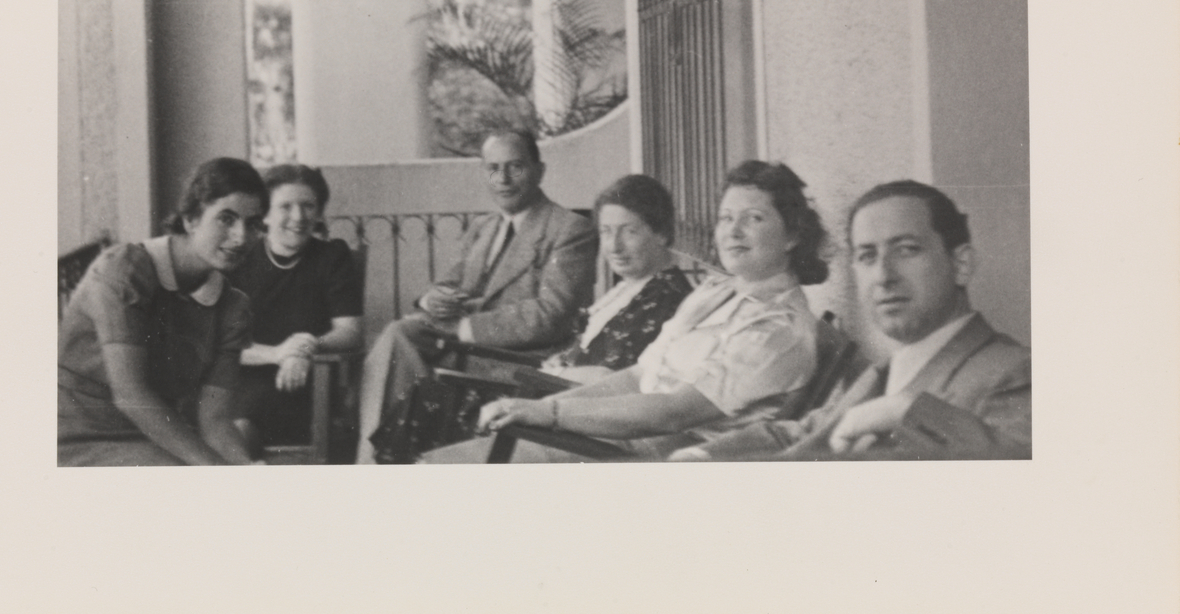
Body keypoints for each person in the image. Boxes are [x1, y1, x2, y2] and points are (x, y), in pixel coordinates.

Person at [424, 160, 828, 463]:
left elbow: (674, 412)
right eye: (725, 218)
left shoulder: (778, 328)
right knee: (444, 463)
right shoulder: (719, 292)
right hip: (620, 434)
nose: (732, 231)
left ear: (792, 234)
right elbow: (638, 375)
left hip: (649, 459)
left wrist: (549, 412)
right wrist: (541, 408)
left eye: (753, 218)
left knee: (445, 471)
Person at [670, 180, 1031, 461]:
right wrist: (703, 456)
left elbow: (1023, 475)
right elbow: (802, 432)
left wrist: (907, 412)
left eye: (907, 250)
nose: (884, 275)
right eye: (867, 256)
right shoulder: (886, 371)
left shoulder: (1015, 372)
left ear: (961, 264)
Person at [368, 174, 692, 463]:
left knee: (431, 399)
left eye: (629, 232)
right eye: (606, 232)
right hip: (547, 390)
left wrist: (551, 375)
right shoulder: (631, 288)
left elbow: (619, 382)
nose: (614, 246)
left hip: (566, 408)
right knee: (428, 394)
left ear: (662, 233)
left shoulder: (665, 300)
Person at [355, 129, 598, 463]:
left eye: (515, 167)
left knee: (399, 350)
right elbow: (448, 282)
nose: (503, 179)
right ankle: (385, 459)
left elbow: (551, 315)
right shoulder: (484, 228)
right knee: (400, 336)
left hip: (515, 361)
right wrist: (432, 299)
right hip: (464, 352)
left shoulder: (569, 229)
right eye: (493, 169)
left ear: (539, 171)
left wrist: (464, 328)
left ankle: (377, 461)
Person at [57, 157, 268, 466]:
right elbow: (131, 395)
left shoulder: (232, 307)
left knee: (245, 444)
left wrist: (244, 470)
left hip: (153, 435)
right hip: (80, 436)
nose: (241, 237)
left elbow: (215, 419)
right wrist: (217, 470)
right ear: (191, 219)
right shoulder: (124, 270)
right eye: (226, 219)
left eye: (252, 224)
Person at [229, 165, 363, 452]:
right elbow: (220, 340)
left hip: (305, 383)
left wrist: (307, 345)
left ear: (319, 212)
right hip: (241, 376)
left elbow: (350, 332)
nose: (299, 217)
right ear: (264, 214)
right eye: (285, 207)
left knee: (236, 432)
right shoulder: (239, 260)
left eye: (308, 206)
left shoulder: (332, 257)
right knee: (227, 423)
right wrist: (278, 354)